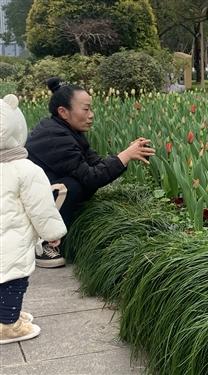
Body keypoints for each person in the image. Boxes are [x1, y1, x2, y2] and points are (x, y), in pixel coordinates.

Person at [25, 77, 155, 268]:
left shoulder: (67, 131)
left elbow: (96, 166)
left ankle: (61, 234)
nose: (91, 115)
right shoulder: (55, 136)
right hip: (26, 202)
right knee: (71, 187)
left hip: (37, 196)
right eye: (85, 109)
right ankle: (44, 243)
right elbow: (91, 178)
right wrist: (125, 156)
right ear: (63, 112)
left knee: (78, 185)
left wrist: (125, 154)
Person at [0, 94, 67, 344]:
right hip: (12, 239)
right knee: (13, 279)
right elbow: (41, 208)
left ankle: (5, 314)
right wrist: (52, 235)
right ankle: (8, 325)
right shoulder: (26, 169)